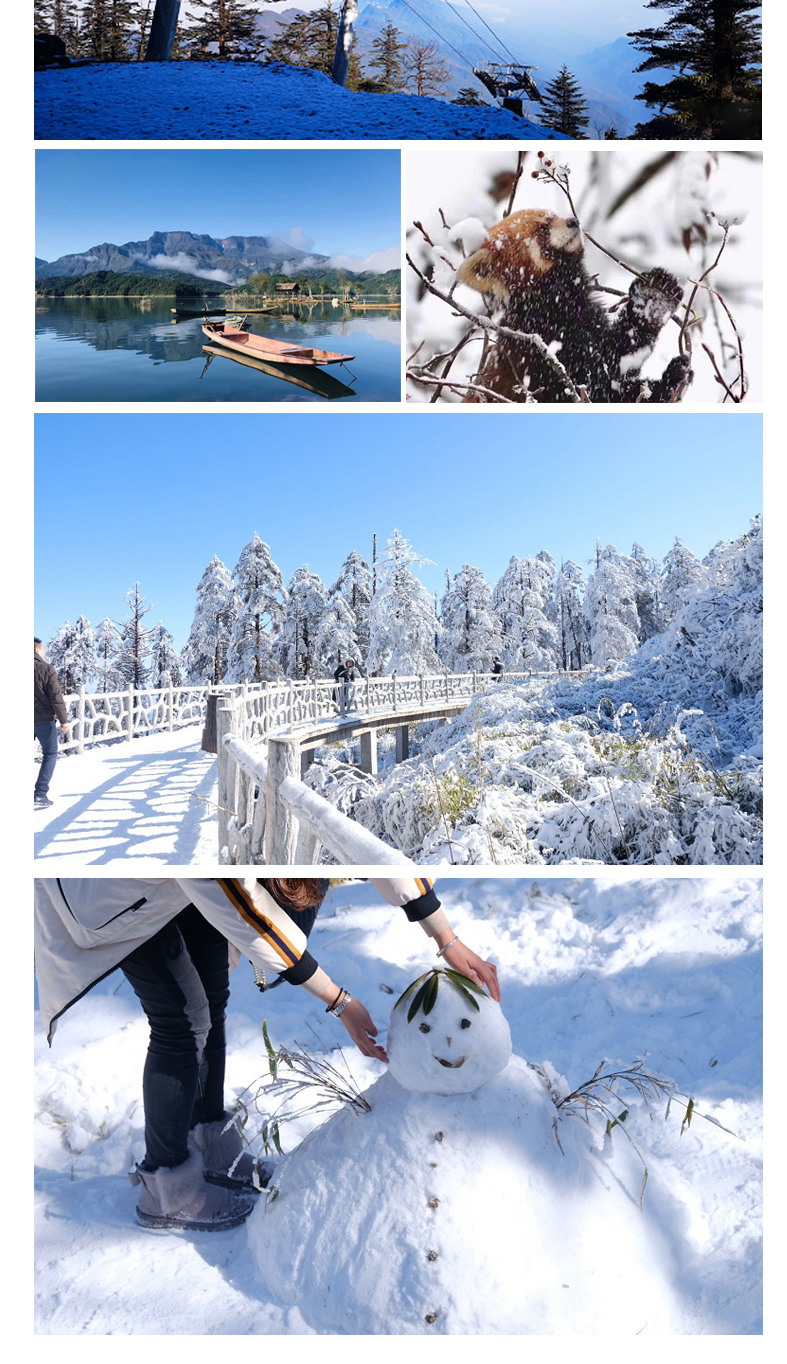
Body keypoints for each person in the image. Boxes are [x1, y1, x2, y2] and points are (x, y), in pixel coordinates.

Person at [34, 876, 500, 1233]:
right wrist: (340, 1001)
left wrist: (445, 936)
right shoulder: (227, 870)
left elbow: (370, 850)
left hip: (179, 888)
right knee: (182, 1021)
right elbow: (257, 921)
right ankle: (166, 1188)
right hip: (117, 896)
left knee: (211, 1002)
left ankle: (209, 1146)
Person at [34, 637, 68, 809]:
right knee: (50, 754)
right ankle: (40, 794)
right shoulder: (46, 669)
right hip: (43, 720)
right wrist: (63, 720)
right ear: (38, 651)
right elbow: (56, 697)